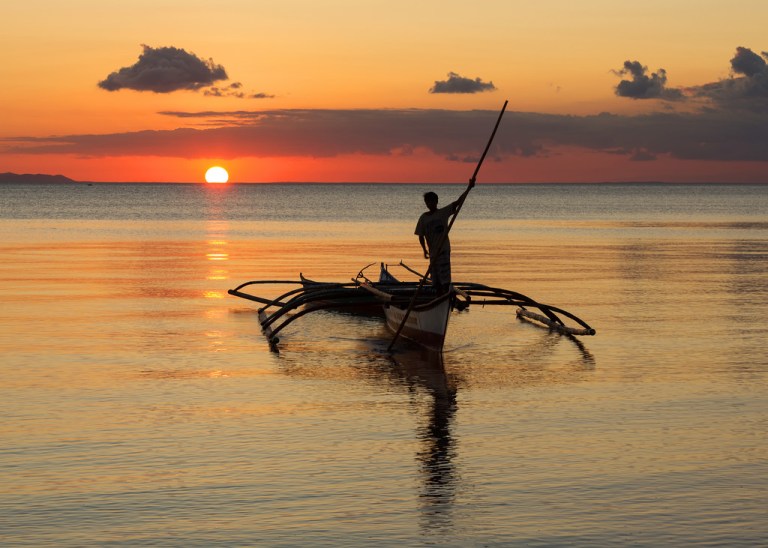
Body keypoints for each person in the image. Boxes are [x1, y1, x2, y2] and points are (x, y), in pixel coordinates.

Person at [414, 180, 474, 294]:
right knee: (435, 280)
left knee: (445, 279)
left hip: (443, 251)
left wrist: (469, 188)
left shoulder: (442, 213)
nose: (429, 204)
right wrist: (424, 250)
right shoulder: (423, 218)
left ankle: (445, 297)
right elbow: (420, 236)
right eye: (427, 202)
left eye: (432, 201)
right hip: (433, 253)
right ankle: (438, 297)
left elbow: (457, 202)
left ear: (436, 202)